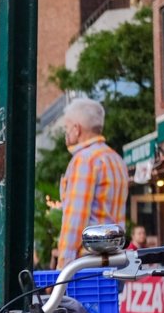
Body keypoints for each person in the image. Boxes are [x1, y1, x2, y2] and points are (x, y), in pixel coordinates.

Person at [54, 97, 127, 267]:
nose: (66, 132)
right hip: (114, 259)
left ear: (76, 129)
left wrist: (61, 268)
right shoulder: (116, 160)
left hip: (86, 265)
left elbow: (75, 220)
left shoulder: (84, 160)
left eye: (66, 127)